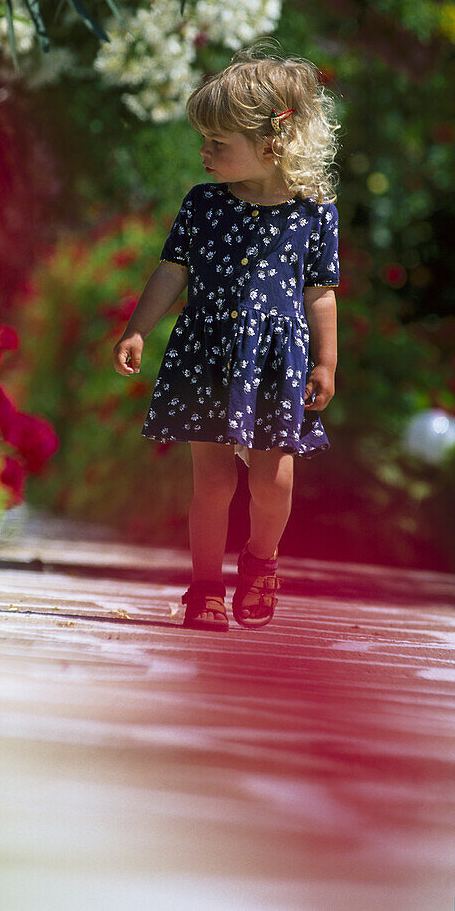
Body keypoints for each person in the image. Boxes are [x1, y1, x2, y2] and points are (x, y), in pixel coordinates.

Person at [112, 46, 340, 633]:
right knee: (211, 481)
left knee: (274, 479)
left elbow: (320, 293)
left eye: (219, 143)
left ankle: (261, 559)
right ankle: (205, 589)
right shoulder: (203, 205)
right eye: (204, 140)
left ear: (272, 145)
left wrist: (327, 362)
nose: (205, 152)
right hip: (205, 355)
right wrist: (139, 328)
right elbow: (172, 271)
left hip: (276, 363)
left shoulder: (313, 213)